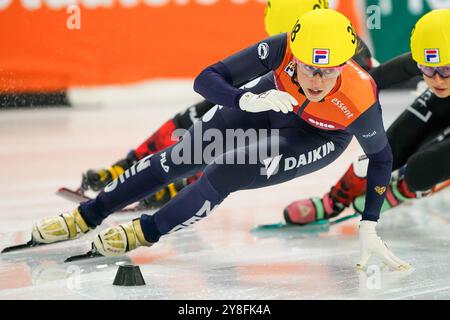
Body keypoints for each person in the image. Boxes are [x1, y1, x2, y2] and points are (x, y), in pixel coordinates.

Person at [30, 9, 410, 271]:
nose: (316, 81)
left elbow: (381, 159)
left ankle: (144, 233)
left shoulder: (360, 99)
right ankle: (89, 214)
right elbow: (207, 77)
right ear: (294, 54)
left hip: (317, 137)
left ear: (344, 66)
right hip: (268, 101)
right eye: (309, 68)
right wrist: (244, 98)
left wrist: (368, 223)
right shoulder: (281, 48)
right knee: (180, 156)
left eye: (328, 73)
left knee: (226, 169)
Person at [79, 0, 373, 210]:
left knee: (239, 140)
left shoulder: (344, 47)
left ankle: (181, 181)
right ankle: (130, 165)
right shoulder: (286, 38)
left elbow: (365, 88)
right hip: (275, 78)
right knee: (201, 113)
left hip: (303, 115)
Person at [284, 9, 450, 225]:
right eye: (427, 69)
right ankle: (332, 201)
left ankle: (403, 190)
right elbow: (370, 82)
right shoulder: (433, 59)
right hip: (441, 104)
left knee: (421, 171)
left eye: (446, 70)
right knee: (384, 152)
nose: (437, 79)